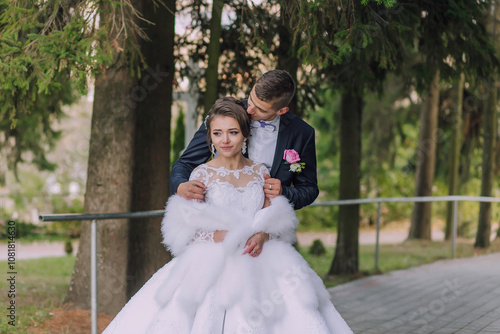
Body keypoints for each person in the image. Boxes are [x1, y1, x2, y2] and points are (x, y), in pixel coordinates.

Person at [103, 97, 353, 333]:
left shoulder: (260, 173)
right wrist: (217, 236)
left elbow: (273, 216)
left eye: (233, 132)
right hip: (213, 257)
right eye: (217, 133)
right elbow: (186, 226)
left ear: (245, 135)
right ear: (210, 137)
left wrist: (262, 236)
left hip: (259, 256)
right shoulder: (201, 174)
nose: (225, 140)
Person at [170, 70, 319, 210]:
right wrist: (180, 186)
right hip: (221, 216)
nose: (249, 110)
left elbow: (309, 189)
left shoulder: (301, 133)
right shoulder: (226, 115)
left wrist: (283, 192)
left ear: (281, 111)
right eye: (251, 99)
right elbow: (185, 163)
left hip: (270, 224)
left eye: (260, 109)